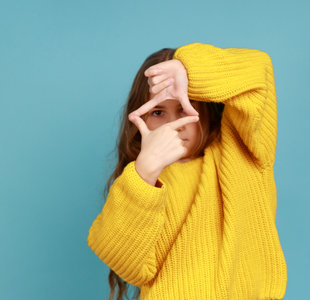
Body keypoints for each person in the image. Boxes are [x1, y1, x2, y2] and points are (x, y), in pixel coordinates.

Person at [87, 42, 287, 300]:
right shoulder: (142, 182)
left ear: (206, 111)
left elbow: (259, 72)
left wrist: (188, 70)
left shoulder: (242, 152)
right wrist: (144, 172)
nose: (175, 124)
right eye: (158, 112)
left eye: (184, 107)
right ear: (140, 119)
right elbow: (124, 260)